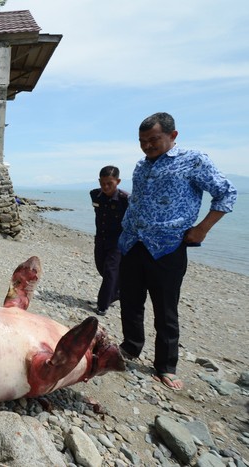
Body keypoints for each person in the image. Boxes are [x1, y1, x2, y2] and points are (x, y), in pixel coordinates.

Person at [118, 112, 237, 391]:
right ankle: (130, 348)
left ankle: (165, 366)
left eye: (154, 140)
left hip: (167, 247)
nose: (147, 145)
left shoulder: (194, 161)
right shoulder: (141, 166)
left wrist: (202, 229)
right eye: (142, 141)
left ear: (173, 136)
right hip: (133, 243)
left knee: (165, 309)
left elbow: (226, 193)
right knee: (131, 302)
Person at [90, 165, 128, 316]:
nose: (105, 187)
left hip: (117, 242)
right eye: (103, 183)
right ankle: (116, 292)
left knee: (111, 271)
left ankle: (102, 305)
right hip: (100, 239)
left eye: (109, 183)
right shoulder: (94, 195)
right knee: (101, 268)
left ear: (117, 181)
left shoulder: (125, 199)